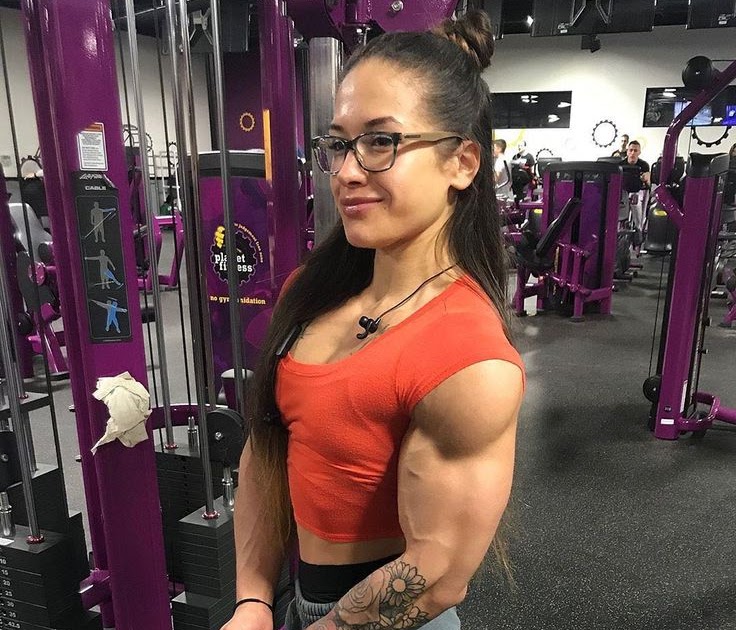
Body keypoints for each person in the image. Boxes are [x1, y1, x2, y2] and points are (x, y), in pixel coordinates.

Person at [221, 10, 524, 630]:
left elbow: (437, 572)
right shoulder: (311, 292)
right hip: (298, 599)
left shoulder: (469, 359)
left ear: (462, 163)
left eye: (382, 142)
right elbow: (267, 445)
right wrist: (252, 598)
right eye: (338, 144)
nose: (348, 171)